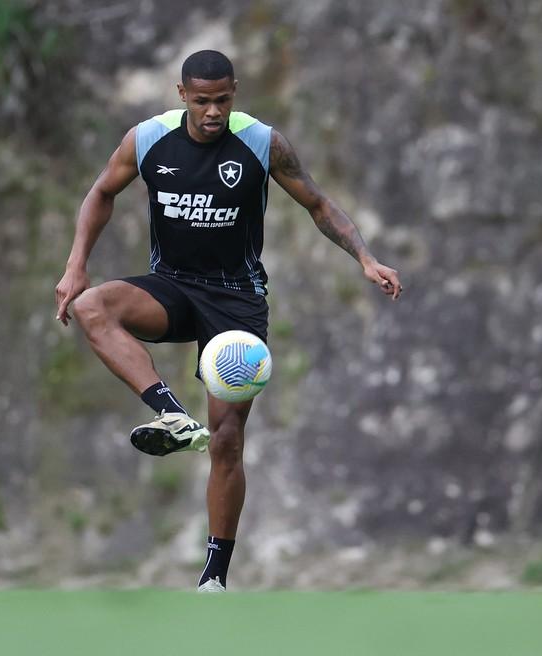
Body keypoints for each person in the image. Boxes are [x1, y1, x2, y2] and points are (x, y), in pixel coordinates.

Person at [53, 50, 403, 592]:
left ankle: (214, 577)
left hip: (237, 301)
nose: (213, 112)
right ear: (182, 95)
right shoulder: (147, 139)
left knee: (227, 439)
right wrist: (76, 265)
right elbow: (101, 192)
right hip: (170, 285)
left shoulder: (262, 143)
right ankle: (171, 415)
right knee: (91, 305)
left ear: (234, 93)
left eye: (222, 100)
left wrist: (365, 258)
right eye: (202, 101)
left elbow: (318, 204)